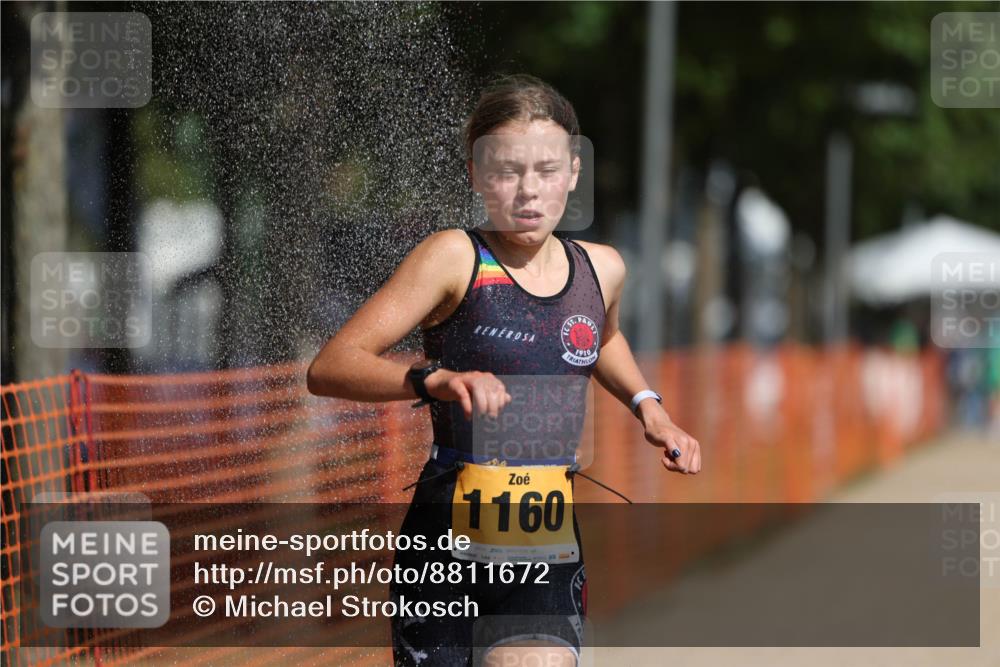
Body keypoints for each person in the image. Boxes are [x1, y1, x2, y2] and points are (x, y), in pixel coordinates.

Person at [307, 73, 701, 667]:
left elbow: (603, 337)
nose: (528, 191)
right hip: (444, 545)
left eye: (546, 170)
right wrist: (429, 379)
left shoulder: (603, 269)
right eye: (506, 171)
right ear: (476, 174)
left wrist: (652, 410)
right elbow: (331, 366)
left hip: (545, 548)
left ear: (573, 172)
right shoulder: (453, 257)